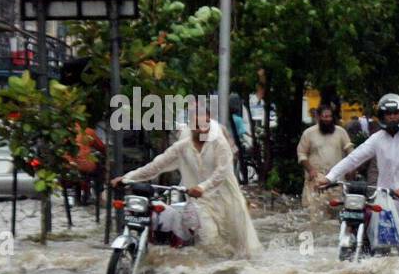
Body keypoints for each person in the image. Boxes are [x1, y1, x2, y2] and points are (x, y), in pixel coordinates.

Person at [112, 101, 263, 258]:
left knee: (239, 245)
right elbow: (156, 165)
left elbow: (222, 171)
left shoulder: (219, 142)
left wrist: (203, 187)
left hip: (227, 198)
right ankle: (210, 272)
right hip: (201, 202)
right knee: (209, 240)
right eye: (196, 123)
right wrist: (127, 178)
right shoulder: (183, 145)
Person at [317, 92, 399, 256]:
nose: (392, 117)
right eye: (388, 114)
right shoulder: (377, 139)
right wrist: (330, 177)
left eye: (396, 113)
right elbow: (354, 158)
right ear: (382, 116)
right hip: (391, 198)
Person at [297, 104, 353, 215]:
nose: (327, 119)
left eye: (330, 116)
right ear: (318, 117)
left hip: (337, 182)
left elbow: (351, 152)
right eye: (325, 116)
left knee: (337, 216)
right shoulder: (309, 133)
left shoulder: (341, 132)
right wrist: (310, 170)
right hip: (315, 182)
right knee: (315, 215)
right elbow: (301, 153)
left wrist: (351, 169)